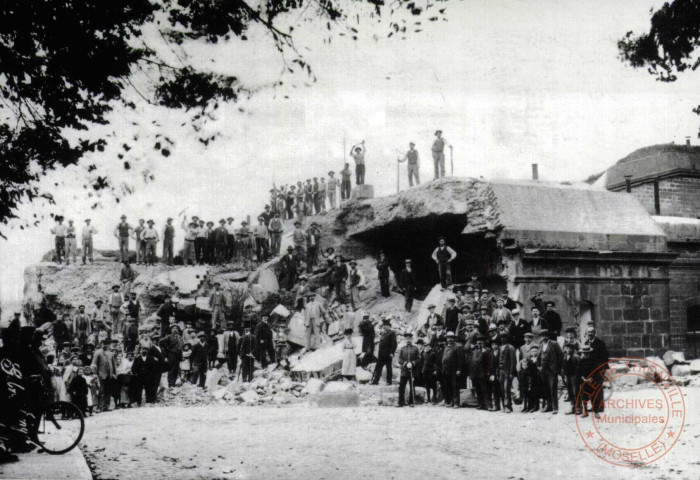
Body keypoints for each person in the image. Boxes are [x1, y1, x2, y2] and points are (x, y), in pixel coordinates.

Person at [582, 326, 609, 416]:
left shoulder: (600, 343)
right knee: (591, 388)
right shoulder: (586, 343)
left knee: (598, 388)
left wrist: (603, 370)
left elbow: (605, 357)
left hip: (599, 370)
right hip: (590, 370)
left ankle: (600, 407)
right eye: (588, 332)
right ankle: (594, 407)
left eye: (591, 332)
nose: (590, 334)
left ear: (594, 333)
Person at [537, 330, 563, 414]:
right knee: (546, 389)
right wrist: (539, 367)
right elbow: (538, 357)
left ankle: (555, 408)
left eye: (545, 335)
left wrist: (558, 368)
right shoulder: (541, 345)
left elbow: (561, 355)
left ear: (548, 336)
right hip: (543, 370)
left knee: (553, 389)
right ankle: (549, 406)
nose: (544, 337)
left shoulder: (554, 344)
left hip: (552, 370)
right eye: (542, 335)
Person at [397, 332, 420, 407]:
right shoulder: (402, 348)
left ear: (412, 339)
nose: (408, 340)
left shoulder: (415, 348)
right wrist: (405, 363)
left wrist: (413, 363)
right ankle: (400, 402)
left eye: (409, 338)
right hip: (404, 371)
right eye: (407, 338)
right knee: (401, 387)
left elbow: (419, 359)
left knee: (412, 386)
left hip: (412, 371)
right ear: (405, 339)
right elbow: (399, 359)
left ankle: (411, 402)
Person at [441, 331, 464, 408]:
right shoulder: (446, 347)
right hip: (446, 370)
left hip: (454, 370)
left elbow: (461, 360)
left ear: (454, 338)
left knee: (455, 386)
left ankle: (456, 403)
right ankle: (450, 401)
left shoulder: (457, 347)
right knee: (448, 386)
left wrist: (459, 369)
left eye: (451, 338)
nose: (449, 339)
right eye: (448, 338)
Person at [91, 341, 115, 412]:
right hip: (101, 375)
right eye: (104, 344)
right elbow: (93, 364)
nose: (105, 345)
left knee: (108, 391)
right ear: (101, 344)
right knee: (101, 391)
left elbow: (113, 365)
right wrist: (94, 373)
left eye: (107, 344)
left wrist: (114, 374)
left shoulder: (111, 353)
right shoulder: (98, 352)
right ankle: (100, 406)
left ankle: (106, 406)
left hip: (109, 375)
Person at [371, 318, 397, 385]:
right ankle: (375, 381)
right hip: (381, 354)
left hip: (388, 354)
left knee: (388, 368)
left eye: (385, 325)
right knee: (378, 367)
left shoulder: (392, 333)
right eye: (383, 325)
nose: (384, 327)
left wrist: (392, 352)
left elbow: (394, 344)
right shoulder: (383, 333)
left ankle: (389, 381)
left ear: (389, 326)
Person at [469, 334, 491, 410]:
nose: (479, 342)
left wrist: (487, 373)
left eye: (481, 341)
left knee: (485, 389)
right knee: (478, 390)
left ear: (484, 342)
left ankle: (488, 405)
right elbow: (472, 362)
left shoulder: (487, 350)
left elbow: (489, 363)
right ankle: (481, 404)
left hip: (483, 373)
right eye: (478, 341)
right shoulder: (474, 351)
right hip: (475, 374)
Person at [499, 333, 517, 413]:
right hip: (501, 371)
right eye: (501, 337)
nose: (502, 339)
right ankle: (504, 405)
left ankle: (508, 406)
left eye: (504, 337)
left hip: (507, 370)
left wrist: (511, 372)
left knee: (507, 389)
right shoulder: (500, 348)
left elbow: (513, 361)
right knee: (502, 389)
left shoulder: (510, 348)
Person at [562, 342, 581, 415]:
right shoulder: (564, 356)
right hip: (568, 376)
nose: (568, 350)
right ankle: (572, 407)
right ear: (564, 349)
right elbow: (563, 367)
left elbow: (579, 367)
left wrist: (577, 376)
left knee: (576, 391)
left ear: (573, 349)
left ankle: (578, 408)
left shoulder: (575, 357)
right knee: (570, 392)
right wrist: (563, 374)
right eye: (566, 348)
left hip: (574, 376)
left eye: (570, 348)